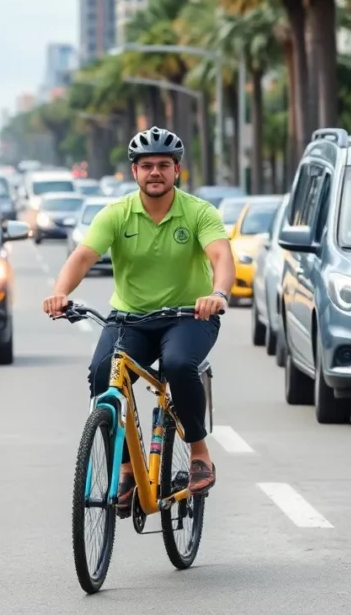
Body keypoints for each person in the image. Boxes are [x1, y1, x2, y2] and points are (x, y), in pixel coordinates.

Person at [42, 126, 235, 510]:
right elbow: (83, 256)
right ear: (135, 172)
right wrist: (61, 292)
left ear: (177, 170)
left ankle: (199, 453)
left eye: (164, 165)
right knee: (102, 374)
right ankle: (128, 467)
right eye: (147, 165)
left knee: (179, 366)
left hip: (189, 316)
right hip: (130, 320)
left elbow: (220, 257)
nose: (155, 173)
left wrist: (217, 294)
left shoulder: (199, 212)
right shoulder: (116, 214)